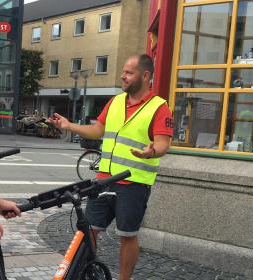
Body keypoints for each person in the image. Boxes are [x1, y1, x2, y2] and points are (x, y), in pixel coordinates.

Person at [47, 54, 173, 280]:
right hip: (104, 180)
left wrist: (152, 150)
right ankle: (87, 272)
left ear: (145, 76)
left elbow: (164, 143)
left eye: (129, 73)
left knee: (127, 235)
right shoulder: (115, 101)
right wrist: (69, 126)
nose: (123, 76)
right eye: (123, 72)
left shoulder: (159, 107)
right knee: (89, 231)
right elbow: (98, 130)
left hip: (133, 183)